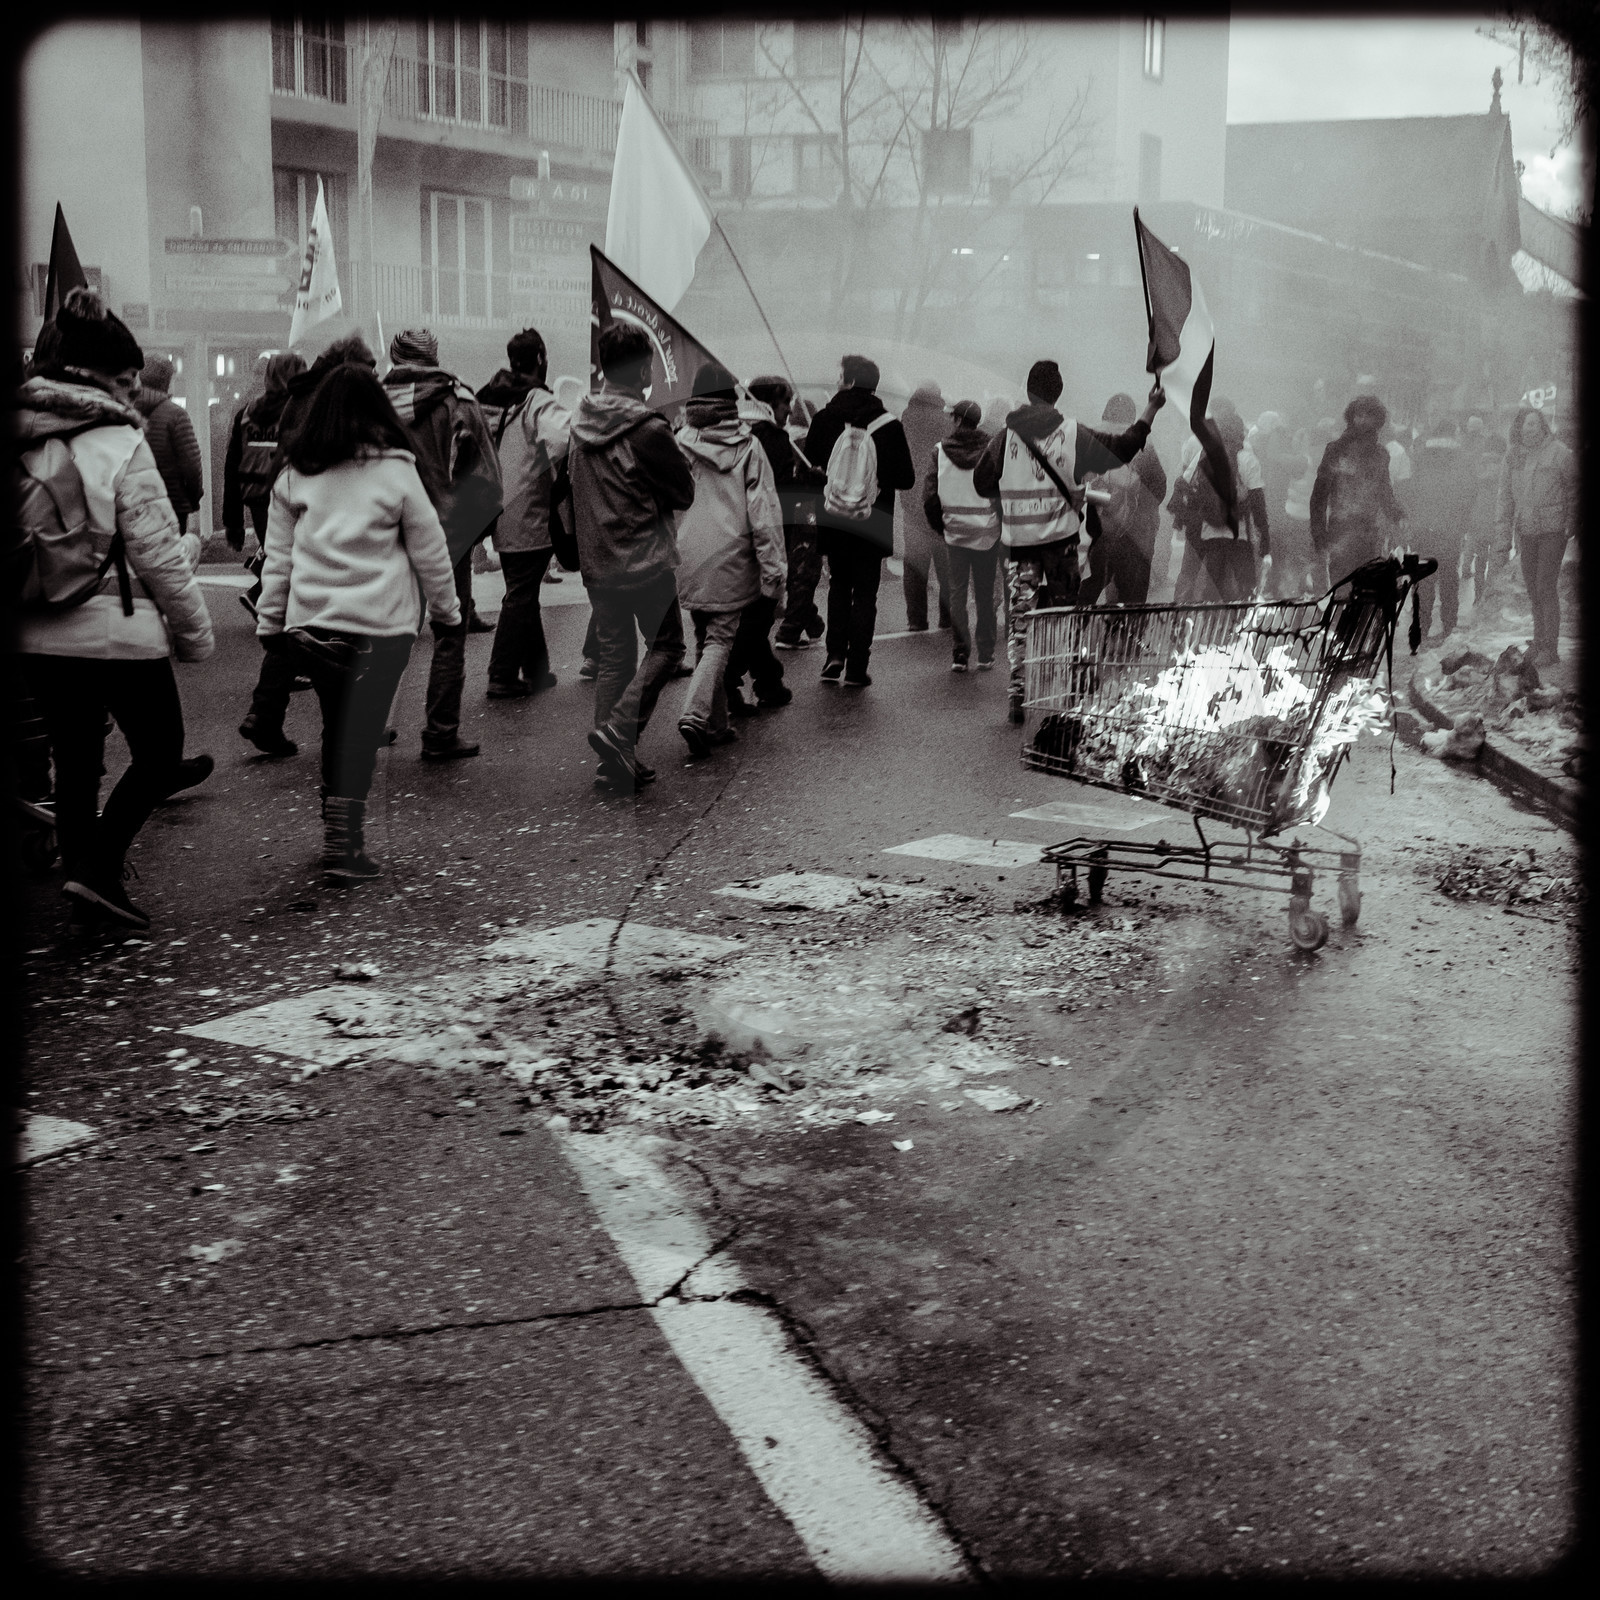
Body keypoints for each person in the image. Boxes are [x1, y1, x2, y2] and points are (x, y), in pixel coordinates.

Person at [15, 288, 214, 929]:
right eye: (126, 379)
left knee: (75, 763)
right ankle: (98, 871)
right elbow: (156, 553)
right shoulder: (120, 444)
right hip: (117, 630)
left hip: (38, 630)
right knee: (159, 754)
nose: (132, 392)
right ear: (102, 378)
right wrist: (194, 634)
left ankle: (83, 880)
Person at [256, 364, 459, 882]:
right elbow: (431, 551)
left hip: (312, 626)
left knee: (335, 729)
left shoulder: (295, 473)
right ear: (378, 413)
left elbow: (275, 560)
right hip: (381, 628)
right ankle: (344, 846)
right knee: (361, 733)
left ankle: (337, 833)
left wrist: (270, 622)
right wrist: (447, 612)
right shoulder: (396, 470)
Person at [972, 359, 1164, 722]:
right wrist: (1151, 409)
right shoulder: (1074, 435)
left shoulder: (1004, 437)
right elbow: (1123, 448)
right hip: (1062, 550)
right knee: (1062, 619)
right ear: (1059, 394)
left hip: (1019, 550)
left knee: (1022, 621)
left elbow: (982, 482)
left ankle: (1019, 691)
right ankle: (1058, 691)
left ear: (1028, 392)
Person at [568, 321, 696, 790]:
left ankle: (613, 760)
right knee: (668, 647)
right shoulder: (647, 429)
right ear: (643, 368)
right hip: (644, 559)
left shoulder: (578, 423)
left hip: (597, 560)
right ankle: (619, 732)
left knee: (617, 658)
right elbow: (683, 492)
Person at [381, 328, 502, 761]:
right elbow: (487, 479)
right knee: (449, 631)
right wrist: (473, 531)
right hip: (447, 534)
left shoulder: (368, 405)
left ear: (394, 357)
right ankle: (440, 732)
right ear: (435, 357)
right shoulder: (460, 402)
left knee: (386, 629)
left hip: (385, 531)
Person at [672, 361, 786, 758]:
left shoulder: (677, 442)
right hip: (733, 557)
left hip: (687, 554)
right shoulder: (749, 447)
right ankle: (696, 713)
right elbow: (765, 516)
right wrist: (774, 573)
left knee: (705, 638)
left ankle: (717, 726)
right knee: (721, 640)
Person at [802, 354, 915, 687]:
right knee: (866, 592)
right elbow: (905, 478)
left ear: (850, 381)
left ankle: (834, 654)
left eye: (840, 376)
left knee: (838, 584)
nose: (837, 381)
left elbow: (810, 470)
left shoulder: (824, 420)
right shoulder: (890, 425)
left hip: (835, 518)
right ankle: (856, 668)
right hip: (873, 519)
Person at [226, 351, 309, 758]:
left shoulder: (248, 411)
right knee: (305, 596)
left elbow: (230, 463)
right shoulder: (304, 408)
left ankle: (266, 711)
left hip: (261, 499)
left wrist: (232, 520)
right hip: (298, 499)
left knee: (283, 579)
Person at [482, 327, 570, 699]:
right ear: (540, 359)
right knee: (520, 591)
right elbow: (564, 440)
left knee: (523, 588)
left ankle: (536, 668)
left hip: (495, 507)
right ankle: (501, 674)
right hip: (529, 508)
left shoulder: (489, 397)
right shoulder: (537, 401)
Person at [749, 375, 826, 654]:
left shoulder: (747, 434)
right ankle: (791, 628)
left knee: (795, 569)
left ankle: (809, 620)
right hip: (798, 511)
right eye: (785, 403)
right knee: (804, 566)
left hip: (759, 519)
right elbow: (784, 487)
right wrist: (812, 480)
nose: (789, 410)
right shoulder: (778, 439)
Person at [923, 399, 1001, 671]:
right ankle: (986, 653)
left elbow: (930, 497)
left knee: (957, 593)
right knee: (984, 592)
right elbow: (1001, 490)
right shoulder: (993, 450)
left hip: (955, 532)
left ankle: (959, 653)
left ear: (957, 420)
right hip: (987, 532)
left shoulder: (939, 451)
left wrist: (942, 526)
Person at [1497, 406, 1577, 667]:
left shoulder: (1559, 453)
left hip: (1554, 530)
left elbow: (1575, 486)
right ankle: (1539, 641)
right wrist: (1503, 537)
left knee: (1545, 585)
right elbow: (1505, 498)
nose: (1527, 428)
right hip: (1527, 531)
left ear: (1542, 426)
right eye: (1523, 424)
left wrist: (1571, 521)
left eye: (1532, 423)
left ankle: (1550, 648)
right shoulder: (1513, 457)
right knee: (1533, 589)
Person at [1078, 392, 1168, 607]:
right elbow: (1159, 488)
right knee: (1132, 603)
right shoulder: (1143, 444)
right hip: (1133, 538)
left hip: (1092, 536)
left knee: (1083, 598)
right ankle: (1124, 637)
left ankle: (1074, 637)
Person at [1310, 395, 1407, 584]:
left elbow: (1384, 492)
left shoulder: (1380, 455)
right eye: (1358, 415)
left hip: (1368, 533)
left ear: (1378, 421)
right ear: (1351, 418)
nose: (1362, 420)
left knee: (1367, 593)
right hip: (1340, 532)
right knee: (1342, 593)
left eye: (1368, 415)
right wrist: (1319, 534)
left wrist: (1397, 515)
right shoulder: (1336, 450)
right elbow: (1319, 496)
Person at [1408, 414, 1478, 642]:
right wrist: (1463, 522)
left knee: (1424, 579)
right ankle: (1448, 625)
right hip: (1450, 528)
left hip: (1422, 526)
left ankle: (1422, 626)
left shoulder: (1419, 456)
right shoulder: (1463, 459)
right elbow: (1469, 492)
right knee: (1448, 577)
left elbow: (1410, 490)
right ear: (1453, 433)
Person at [898, 380, 953, 631]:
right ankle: (947, 617)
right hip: (941, 502)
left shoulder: (905, 420)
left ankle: (916, 620)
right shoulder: (946, 422)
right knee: (946, 566)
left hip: (912, 502)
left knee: (915, 565)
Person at [132, 356, 204, 535]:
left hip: (135, 504)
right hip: (173, 503)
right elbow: (191, 465)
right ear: (166, 382)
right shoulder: (176, 415)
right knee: (171, 559)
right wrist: (193, 498)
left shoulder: (126, 413)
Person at [1464, 415, 1510, 615]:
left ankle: (1478, 595)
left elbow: (1470, 491)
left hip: (1479, 516)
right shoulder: (1505, 467)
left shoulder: (1477, 465)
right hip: (1498, 518)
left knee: (1480, 560)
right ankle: (1491, 597)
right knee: (1497, 560)